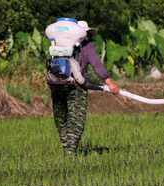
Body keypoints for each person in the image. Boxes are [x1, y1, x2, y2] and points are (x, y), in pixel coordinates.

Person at [45, 17, 119, 154]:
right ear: (85, 33)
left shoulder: (57, 43)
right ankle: (70, 152)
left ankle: (65, 146)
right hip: (77, 86)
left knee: (60, 116)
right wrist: (109, 82)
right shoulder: (87, 45)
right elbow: (97, 64)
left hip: (56, 83)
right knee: (76, 119)